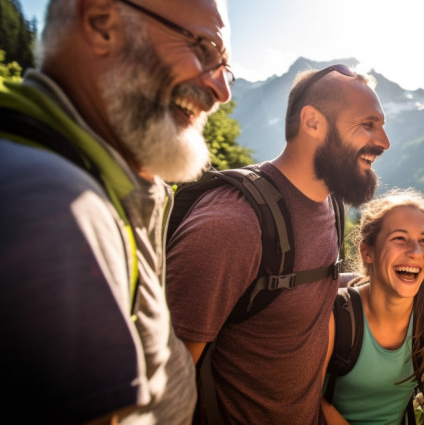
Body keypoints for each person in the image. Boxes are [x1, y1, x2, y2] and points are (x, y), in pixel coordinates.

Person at [0, 0, 233, 423]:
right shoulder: (57, 205)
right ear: (102, 23)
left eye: (225, 68)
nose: (221, 90)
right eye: (204, 49)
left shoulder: (106, 179)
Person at [166, 64, 390, 423]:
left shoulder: (329, 203)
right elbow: (160, 385)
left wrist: (390, 289)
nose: (384, 142)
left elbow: (298, 294)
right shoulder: (232, 226)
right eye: (367, 125)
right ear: (313, 123)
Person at [322, 188, 424, 425]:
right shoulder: (334, 316)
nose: (415, 252)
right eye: (399, 239)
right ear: (367, 252)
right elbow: (310, 400)